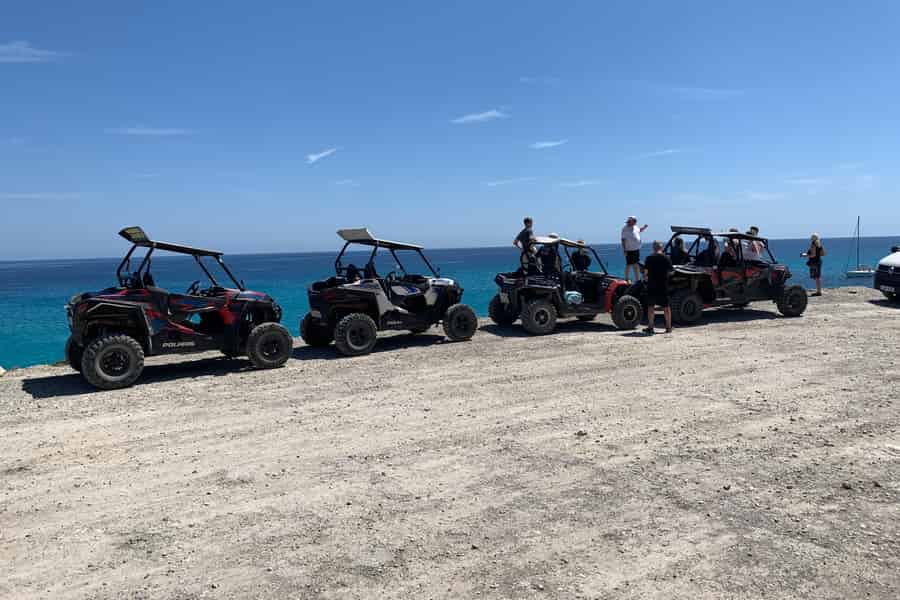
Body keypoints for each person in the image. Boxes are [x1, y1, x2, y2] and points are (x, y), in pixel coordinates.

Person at [642, 240, 673, 334]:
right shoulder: (666, 258)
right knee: (666, 307)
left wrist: (646, 278)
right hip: (663, 285)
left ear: (653, 248)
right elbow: (671, 271)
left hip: (652, 285)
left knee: (651, 307)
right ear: (661, 248)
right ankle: (668, 327)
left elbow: (646, 273)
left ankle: (651, 327)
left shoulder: (649, 258)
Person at [621, 216, 649, 283]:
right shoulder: (625, 228)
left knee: (636, 265)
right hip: (629, 249)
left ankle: (637, 279)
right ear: (630, 221)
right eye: (634, 221)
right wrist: (624, 250)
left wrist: (644, 227)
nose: (635, 222)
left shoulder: (635, 226)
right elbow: (623, 240)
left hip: (636, 249)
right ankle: (627, 279)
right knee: (629, 264)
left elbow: (639, 230)